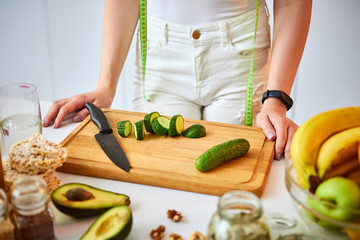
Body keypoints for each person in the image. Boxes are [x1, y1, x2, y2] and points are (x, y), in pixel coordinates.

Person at [43, 0, 312, 160]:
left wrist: (276, 99)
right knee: (162, 165)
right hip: (160, 56)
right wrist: (105, 85)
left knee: (236, 175)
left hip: (241, 58)